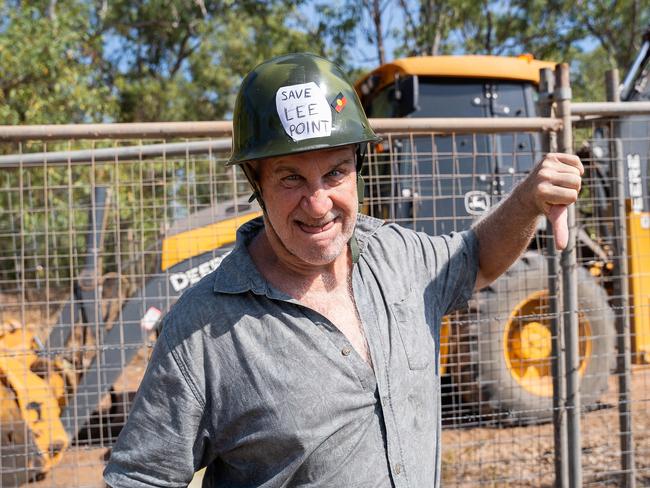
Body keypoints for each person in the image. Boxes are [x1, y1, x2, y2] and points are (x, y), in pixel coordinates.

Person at [104, 53, 582, 487]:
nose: (318, 205)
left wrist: (526, 201)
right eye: (291, 177)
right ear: (256, 181)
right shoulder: (202, 331)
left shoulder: (399, 258)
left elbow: (475, 255)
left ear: (356, 166)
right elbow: (140, 480)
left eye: (334, 173)